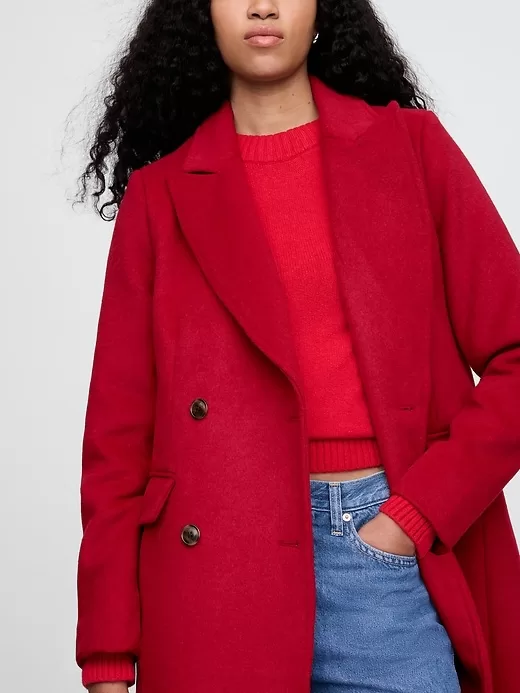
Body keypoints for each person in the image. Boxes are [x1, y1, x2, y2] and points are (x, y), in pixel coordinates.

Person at [73, 1, 520, 692]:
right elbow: (116, 447)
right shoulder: (158, 198)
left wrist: (415, 515)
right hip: (215, 582)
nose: (262, 5)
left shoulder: (411, 149)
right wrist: (106, 653)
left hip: (383, 557)